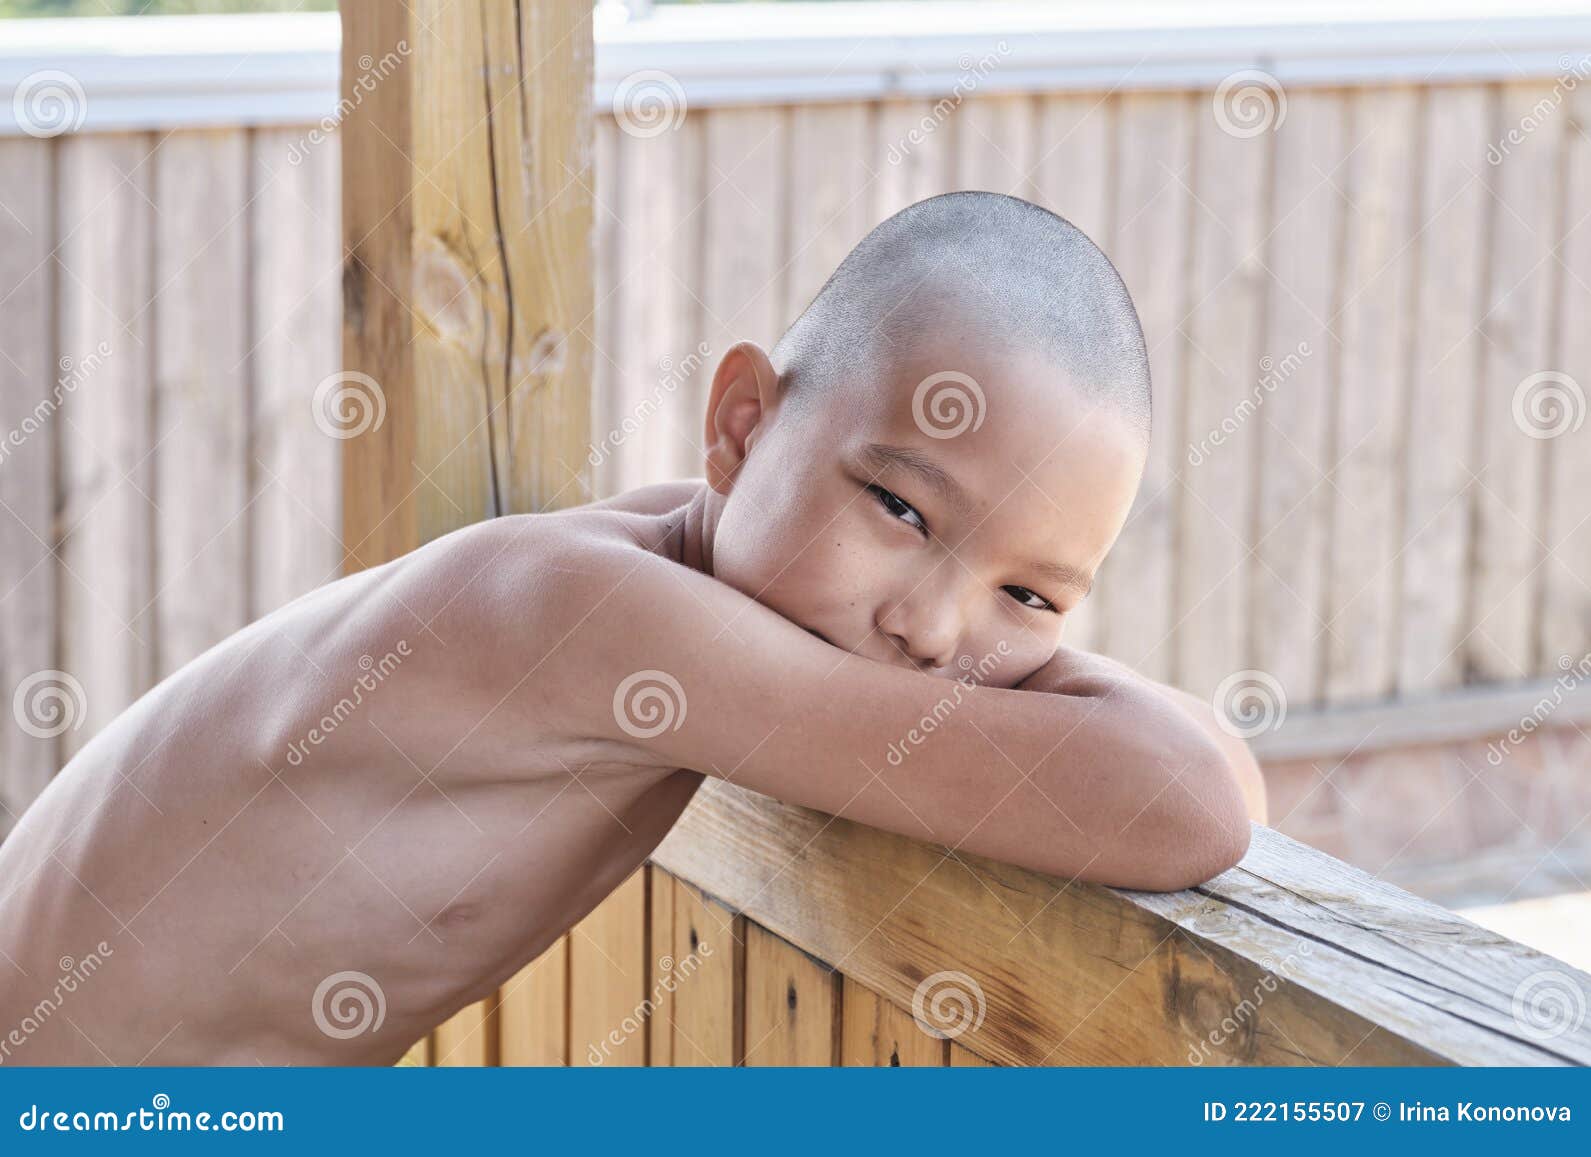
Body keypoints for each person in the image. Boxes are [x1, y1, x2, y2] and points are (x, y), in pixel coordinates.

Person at [0, 192, 1266, 1066]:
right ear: (740, 424)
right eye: (898, 505)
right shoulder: (597, 620)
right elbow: (1192, 799)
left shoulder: (681, 574)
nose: (931, 628)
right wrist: (1039, 641)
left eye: (1029, 594)